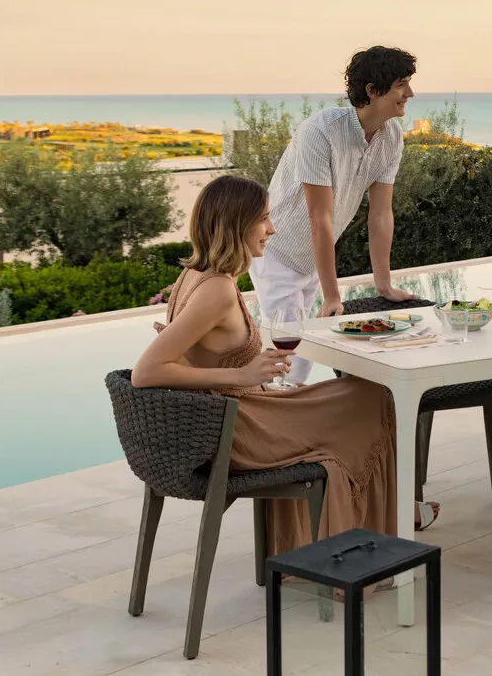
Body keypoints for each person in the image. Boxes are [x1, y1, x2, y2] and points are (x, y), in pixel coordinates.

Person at [132, 175, 437, 557]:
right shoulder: (216, 290)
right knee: (372, 401)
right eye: (263, 219)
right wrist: (242, 375)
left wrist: (260, 383)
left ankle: (383, 520)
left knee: (362, 394)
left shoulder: (195, 276)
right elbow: (145, 372)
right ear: (236, 224)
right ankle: (379, 531)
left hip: (236, 415)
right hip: (239, 429)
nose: (272, 229)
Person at [250, 46, 422, 385]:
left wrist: (383, 284)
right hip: (277, 251)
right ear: (373, 91)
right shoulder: (320, 131)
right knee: (289, 355)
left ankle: (281, 410)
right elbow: (320, 218)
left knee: (301, 358)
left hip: (313, 259)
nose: (410, 94)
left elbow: (381, 215)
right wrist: (332, 295)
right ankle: (266, 411)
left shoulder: (391, 137)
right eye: (401, 85)